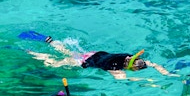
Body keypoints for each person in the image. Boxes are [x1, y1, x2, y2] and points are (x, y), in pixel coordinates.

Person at [24, 34, 177, 80]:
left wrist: (167, 73)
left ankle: (50, 41)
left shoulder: (131, 58)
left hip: (95, 53)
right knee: (55, 63)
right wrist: (148, 80)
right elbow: (125, 80)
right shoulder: (115, 69)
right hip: (86, 61)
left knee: (68, 51)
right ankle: (32, 52)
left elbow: (154, 64)